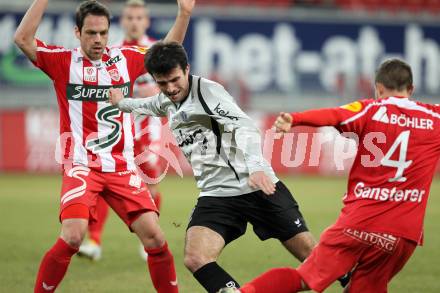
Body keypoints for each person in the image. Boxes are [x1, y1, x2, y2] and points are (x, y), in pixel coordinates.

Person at [14, 0, 194, 292]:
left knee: (156, 239)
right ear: (77, 32)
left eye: (103, 33)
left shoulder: (126, 58)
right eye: (91, 33)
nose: (97, 39)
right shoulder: (62, 62)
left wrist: (184, 14)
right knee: (73, 235)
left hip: (121, 166)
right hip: (82, 165)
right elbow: (22, 39)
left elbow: (166, 51)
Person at [109, 41, 317, 293]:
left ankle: (357, 281)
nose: (171, 89)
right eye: (162, 83)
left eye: (175, 80)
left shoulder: (208, 93)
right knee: (195, 258)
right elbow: (150, 105)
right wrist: (122, 103)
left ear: (187, 69)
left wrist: (256, 167)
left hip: (256, 186)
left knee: (318, 263)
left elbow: (245, 127)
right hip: (217, 195)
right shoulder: (167, 99)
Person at [218, 58, 440, 293]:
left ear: (379, 88)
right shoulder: (435, 118)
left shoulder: (371, 109)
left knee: (305, 277)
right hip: (404, 235)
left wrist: (295, 119)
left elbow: (335, 115)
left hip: (360, 223)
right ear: (411, 89)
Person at [78, 0, 164, 262]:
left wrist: (157, 92)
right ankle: (94, 241)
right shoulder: (110, 52)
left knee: (149, 183)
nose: (135, 21)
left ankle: (147, 240)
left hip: (147, 129)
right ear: (123, 21)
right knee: (104, 178)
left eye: (139, 17)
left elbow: (174, 87)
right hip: (116, 127)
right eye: (130, 17)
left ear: (146, 21)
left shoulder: (157, 51)